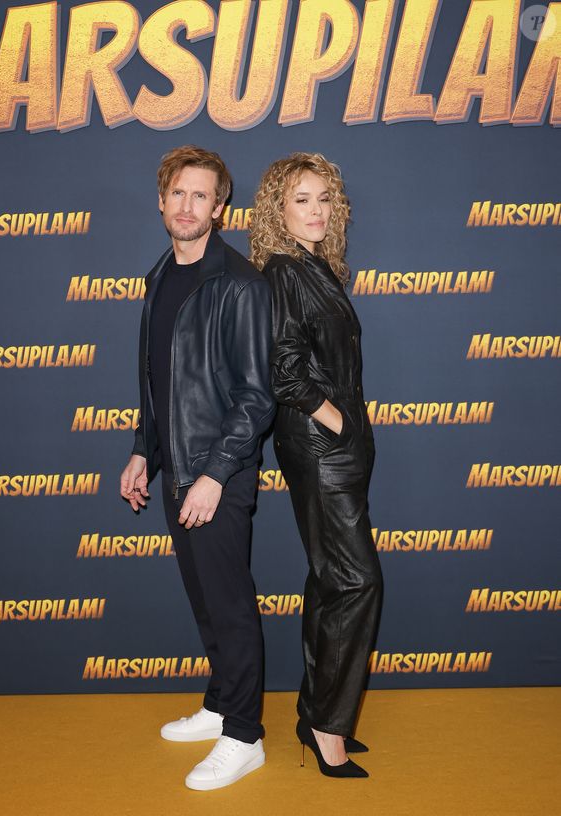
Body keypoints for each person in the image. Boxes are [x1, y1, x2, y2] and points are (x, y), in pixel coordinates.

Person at [120, 145, 275, 791]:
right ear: (162, 201)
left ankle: (244, 736)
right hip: (180, 468)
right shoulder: (161, 275)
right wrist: (141, 450)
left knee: (231, 606)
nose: (188, 206)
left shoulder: (238, 282)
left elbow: (255, 395)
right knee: (207, 603)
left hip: (219, 475)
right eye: (177, 193)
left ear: (220, 207)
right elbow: (162, 384)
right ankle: (220, 705)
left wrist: (213, 475)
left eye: (201, 196)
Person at [249, 153, 383, 778]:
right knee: (357, 582)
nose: (317, 210)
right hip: (320, 447)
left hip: (339, 450)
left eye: (325, 198)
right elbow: (284, 370)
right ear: (278, 209)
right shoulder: (282, 271)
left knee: (331, 581)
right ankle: (329, 726)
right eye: (302, 199)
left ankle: (314, 711)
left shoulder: (316, 268)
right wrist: (338, 423)